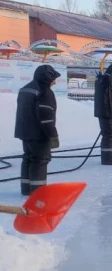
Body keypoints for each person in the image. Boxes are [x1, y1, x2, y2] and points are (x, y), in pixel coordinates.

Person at [14, 64, 61, 196]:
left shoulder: (25, 89)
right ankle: (38, 193)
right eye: (53, 79)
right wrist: (53, 135)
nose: (55, 82)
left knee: (28, 158)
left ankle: (26, 189)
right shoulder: (45, 92)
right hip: (39, 134)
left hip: (25, 132)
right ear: (46, 78)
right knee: (40, 160)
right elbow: (46, 117)